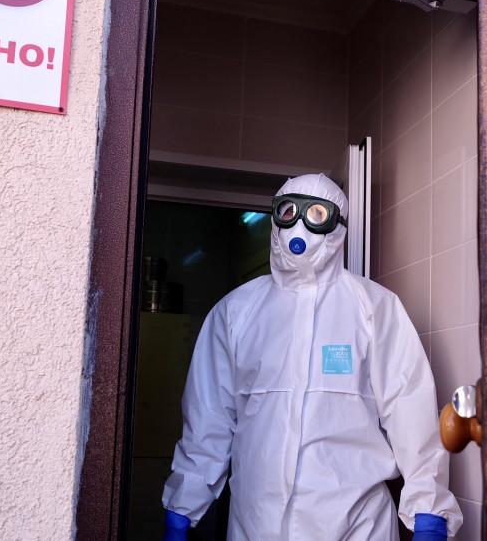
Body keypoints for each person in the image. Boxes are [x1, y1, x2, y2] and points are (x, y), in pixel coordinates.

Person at [162, 174, 462, 540]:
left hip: (356, 525)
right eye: (288, 211)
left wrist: (429, 511)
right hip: (257, 524)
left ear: (338, 226)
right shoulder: (235, 313)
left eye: (317, 214)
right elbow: (208, 420)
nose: (299, 225)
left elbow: (410, 409)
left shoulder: (374, 309)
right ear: (275, 219)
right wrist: (183, 505)